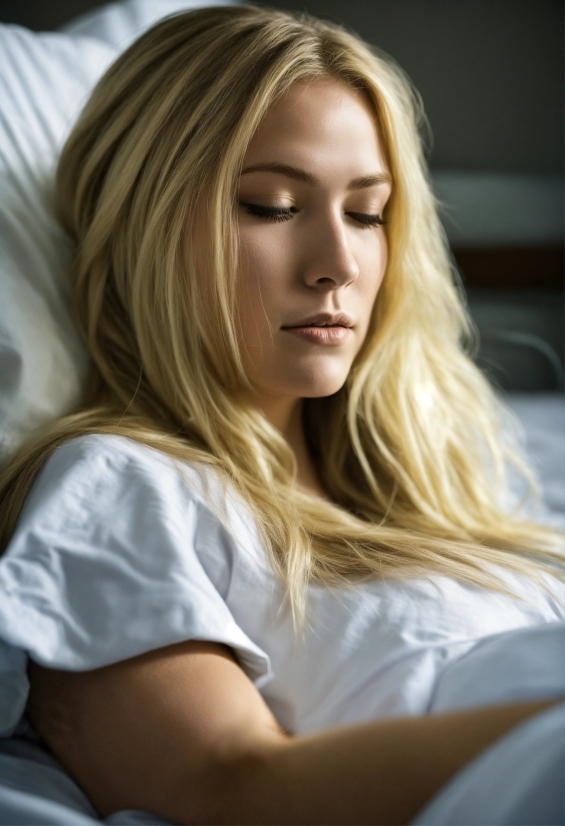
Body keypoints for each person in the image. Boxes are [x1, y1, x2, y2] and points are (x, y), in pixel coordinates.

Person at [0, 5, 563, 824]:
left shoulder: (424, 493)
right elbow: (230, 786)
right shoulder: (120, 485)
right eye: (269, 205)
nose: (337, 263)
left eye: (366, 213)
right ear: (142, 228)